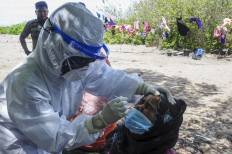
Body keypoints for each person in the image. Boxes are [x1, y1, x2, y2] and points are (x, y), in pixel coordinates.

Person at [0, 2, 175, 154]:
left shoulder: (73, 63)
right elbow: (53, 136)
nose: (84, 66)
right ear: (54, 47)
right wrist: (99, 121)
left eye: (88, 59)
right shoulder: (25, 83)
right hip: (18, 144)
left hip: (48, 140)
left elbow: (105, 77)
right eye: (79, 60)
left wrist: (141, 88)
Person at [104, 93, 187, 154]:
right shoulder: (120, 135)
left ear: (161, 123)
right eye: (141, 101)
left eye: (149, 107)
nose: (138, 106)